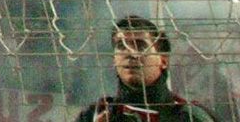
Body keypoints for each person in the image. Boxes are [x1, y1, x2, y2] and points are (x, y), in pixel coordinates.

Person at [73, 15, 218, 122]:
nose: (131, 53)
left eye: (140, 45)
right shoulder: (94, 115)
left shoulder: (192, 117)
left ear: (163, 60)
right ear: (114, 60)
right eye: (122, 46)